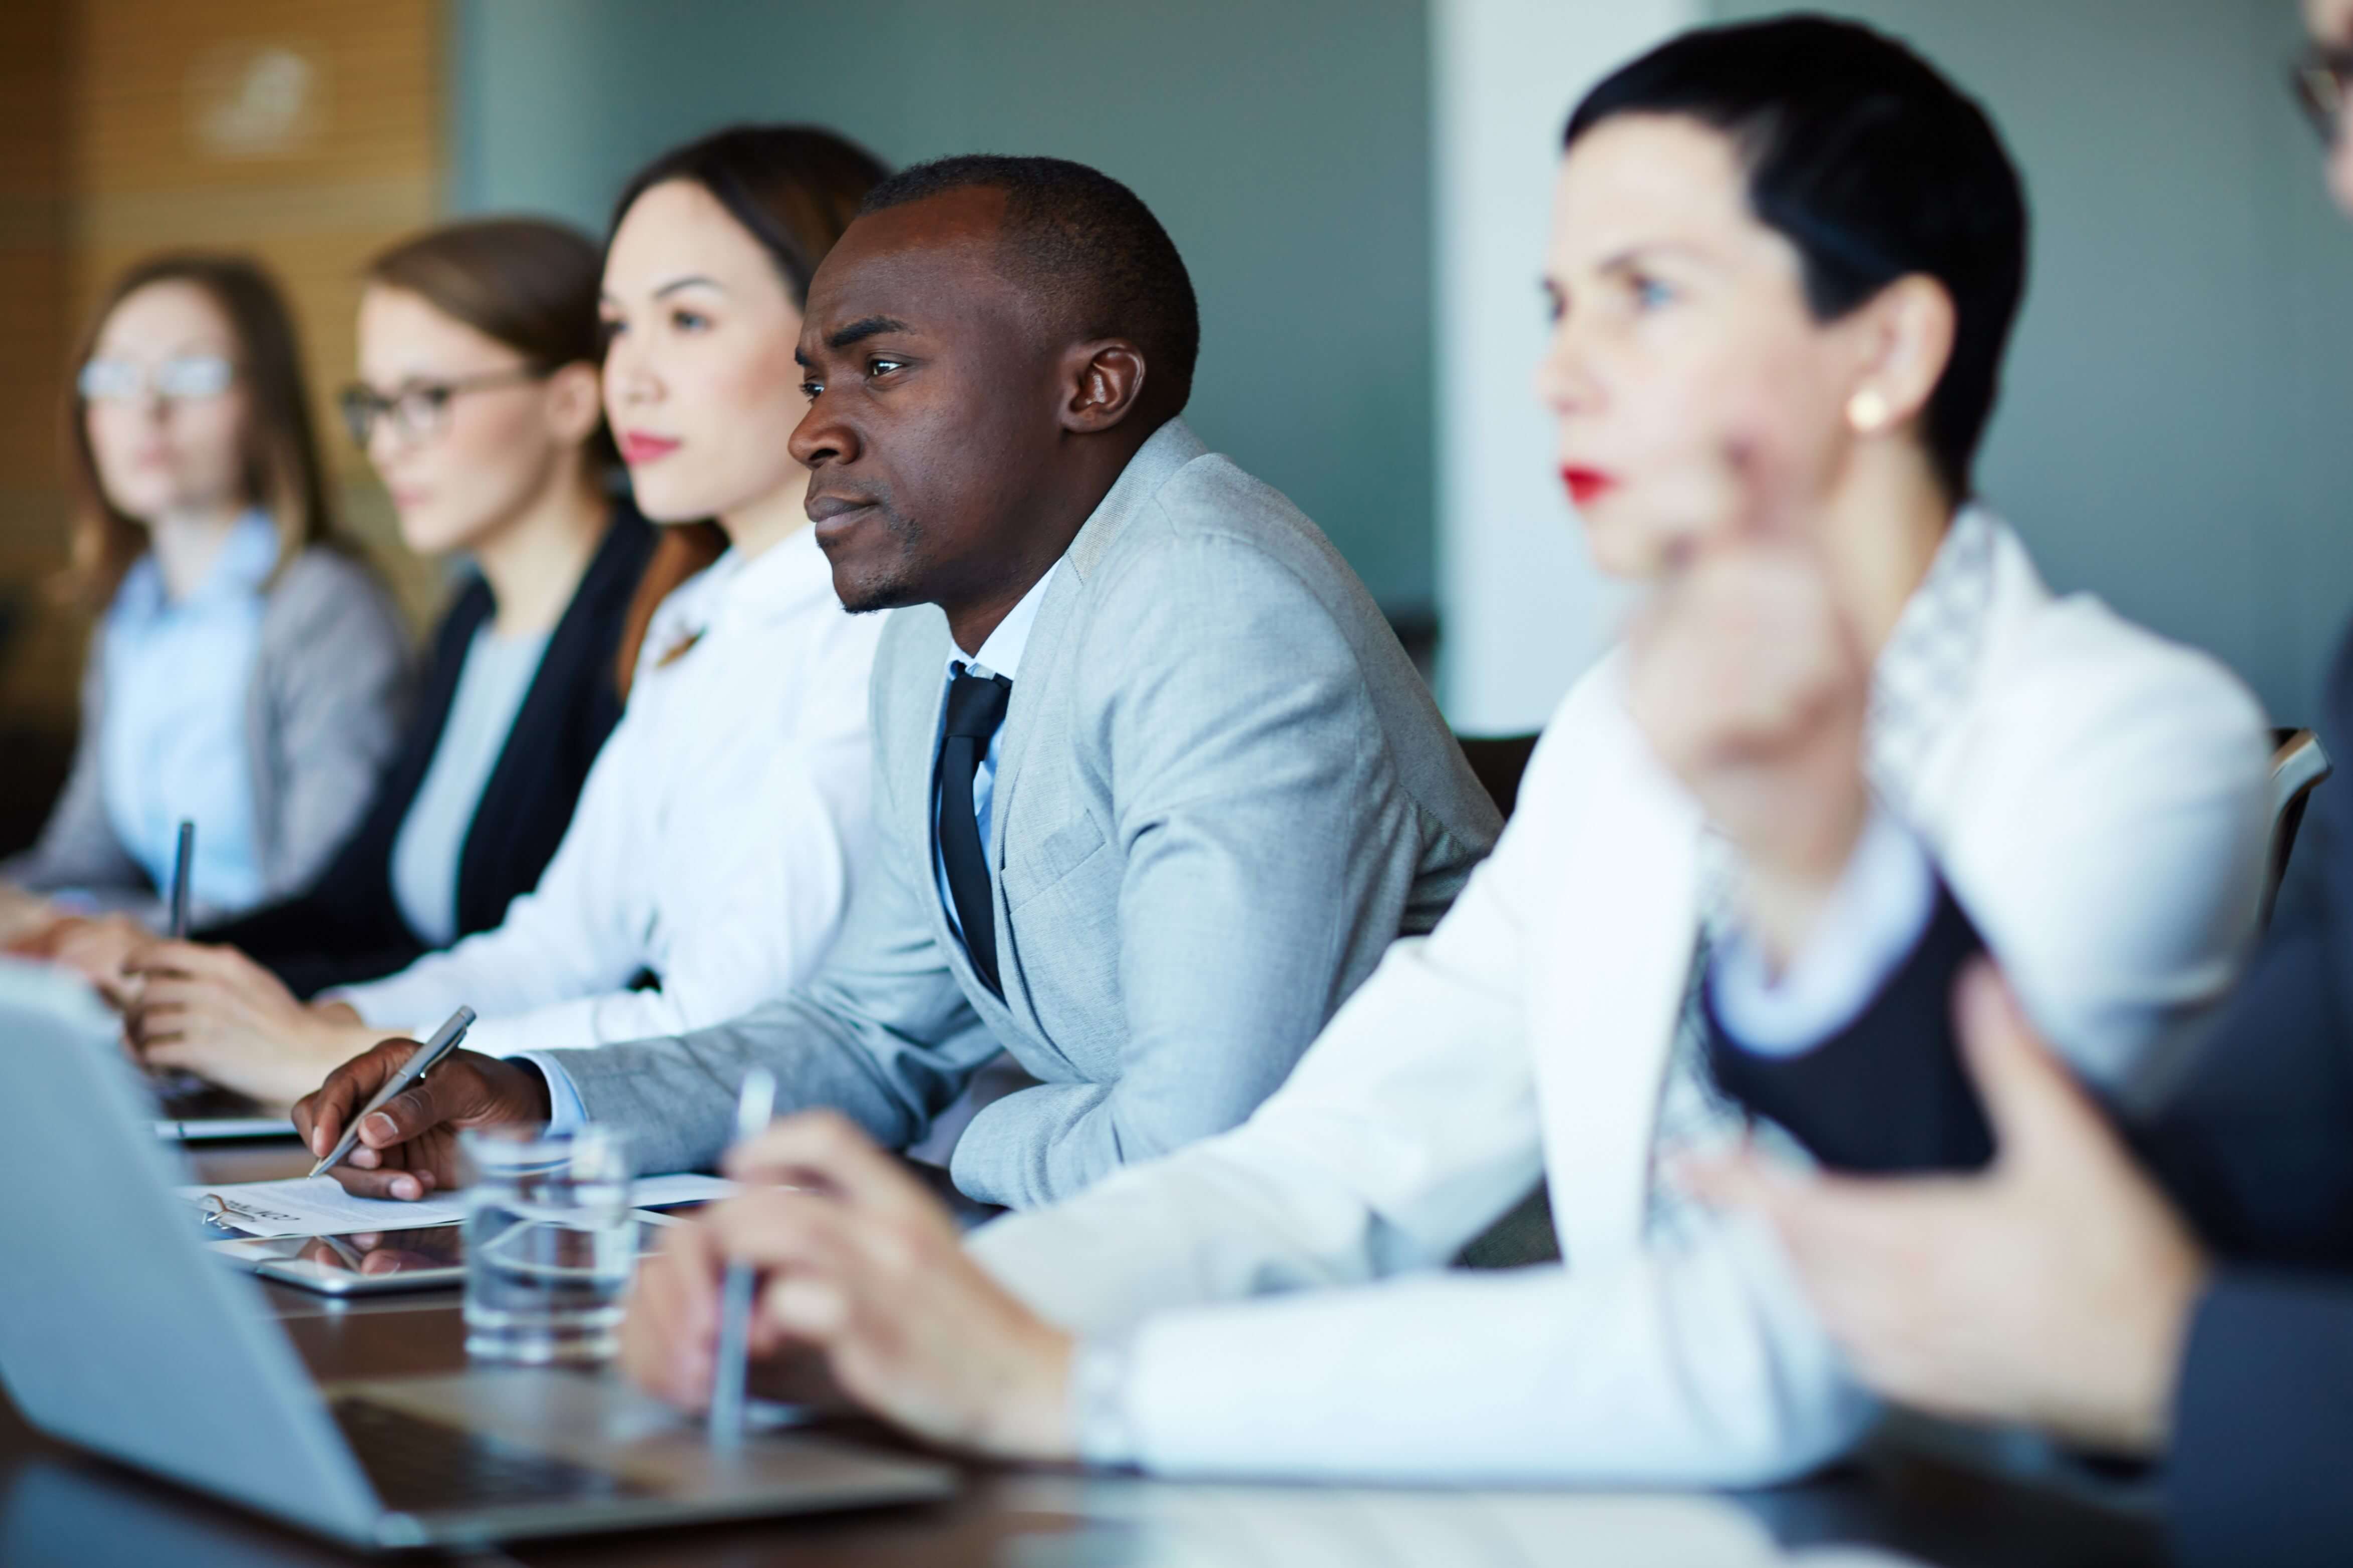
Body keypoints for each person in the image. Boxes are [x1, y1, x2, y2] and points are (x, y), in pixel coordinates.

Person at [601, 19, 2273, 1486]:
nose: (1559, 372)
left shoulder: (2127, 744)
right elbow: (1328, 1168)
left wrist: (1070, 1382)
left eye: (1649, 295)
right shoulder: (1633, 725)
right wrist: (883, 1297)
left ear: (1888, 351)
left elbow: (1808, 1344)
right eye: (1557, 303)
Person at [290, 153, 1502, 1212]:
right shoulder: (939, 632)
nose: (815, 432)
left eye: (885, 369)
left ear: (1094, 388)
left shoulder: (1218, 613)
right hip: (1145, 1270)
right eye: (819, 380)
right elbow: (871, 1032)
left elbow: (1195, 1145)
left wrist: (958, 1145)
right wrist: (540, 1101)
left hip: (1423, 1317)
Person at [1677, 3, 2353, 1561]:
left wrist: (2177, 1368)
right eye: (2332, 80)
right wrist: (1806, 851)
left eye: (1648, 292)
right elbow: (2161, 1208)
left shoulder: (2126, 726)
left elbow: (2144, 1318)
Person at [104, 126, 893, 1091]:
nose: (629, 379)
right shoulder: (694, 617)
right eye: (617, 329)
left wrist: (326, 1054)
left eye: (686, 321)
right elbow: (553, 946)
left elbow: (719, 1027)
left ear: (841, 334)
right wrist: (330, 1027)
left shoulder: (882, 626)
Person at [41, 219, 654, 1107]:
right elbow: (359, 897)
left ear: (569, 401)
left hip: (532, 1122)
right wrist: (180, 977)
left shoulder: (647, 619)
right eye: (374, 404)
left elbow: (592, 962)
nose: (387, 442)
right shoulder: (472, 618)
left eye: (426, 398)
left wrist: (294, 1024)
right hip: (408, 1076)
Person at [0, 254, 408, 942]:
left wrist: (93, 932)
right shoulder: (132, 607)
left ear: (265, 404)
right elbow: (87, 853)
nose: (147, 408)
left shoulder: (326, 609)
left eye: (193, 374)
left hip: (274, 993)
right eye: (114, 376)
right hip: (155, 978)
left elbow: (319, 900)